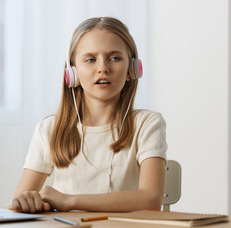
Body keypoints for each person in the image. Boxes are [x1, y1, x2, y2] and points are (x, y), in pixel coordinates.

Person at [10, 17, 167, 213]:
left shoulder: (147, 124)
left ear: (132, 70)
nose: (103, 68)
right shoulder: (49, 129)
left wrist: (69, 201)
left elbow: (150, 200)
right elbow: (17, 204)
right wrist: (26, 202)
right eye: (91, 59)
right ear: (72, 73)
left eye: (115, 58)